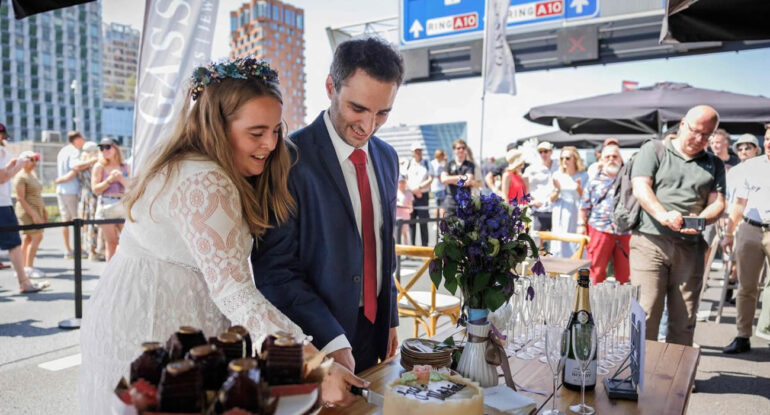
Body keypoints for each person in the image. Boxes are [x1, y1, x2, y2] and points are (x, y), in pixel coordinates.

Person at [79, 58, 362, 413]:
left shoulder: (202, 165)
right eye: (256, 133)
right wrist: (317, 366)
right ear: (215, 126)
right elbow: (235, 291)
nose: (270, 144)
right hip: (152, 321)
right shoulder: (204, 179)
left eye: (276, 130)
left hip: (166, 315)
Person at [251, 38, 403, 378]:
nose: (368, 126)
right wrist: (330, 339)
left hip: (375, 330)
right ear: (330, 87)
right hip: (315, 336)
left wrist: (390, 316)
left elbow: (384, 246)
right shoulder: (287, 158)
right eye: (358, 108)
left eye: (382, 113)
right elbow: (275, 269)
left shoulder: (388, 157)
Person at [630, 105, 726, 346]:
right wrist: (663, 215)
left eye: (707, 135)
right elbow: (641, 187)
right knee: (645, 314)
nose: (700, 139)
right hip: (650, 242)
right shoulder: (654, 149)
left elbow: (718, 203)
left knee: (684, 320)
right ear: (683, 123)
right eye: (696, 131)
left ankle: (675, 370)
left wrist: (702, 220)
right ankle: (641, 368)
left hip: (690, 247)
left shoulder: (714, 163)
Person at [720, 126, 770, 354]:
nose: (769, 143)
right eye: (767, 139)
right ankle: (742, 336)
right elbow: (739, 204)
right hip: (750, 228)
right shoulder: (751, 167)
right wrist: (729, 233)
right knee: (746, 286)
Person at [0, 126, 49, 293]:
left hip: (4, 204)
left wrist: (10, 166)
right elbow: (2, 179)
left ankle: (24, 281)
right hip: (2, 205)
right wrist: (18, 166)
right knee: (14, 243)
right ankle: (24, 282)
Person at [578, 145, 630, 284]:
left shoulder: (629, 179)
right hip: (599, 229)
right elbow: (584, 206)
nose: (611, 159)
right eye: (607, 157)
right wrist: (581, 225)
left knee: (624, 275)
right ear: (601, 160)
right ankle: (591, 297)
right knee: (596, 272)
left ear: (620, 159)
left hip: (625, 231)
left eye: (615, 156)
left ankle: (623, 298)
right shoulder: (593, 180)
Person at [56, 131, 97, 259]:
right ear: (77, 139)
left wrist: (61, 180)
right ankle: (79, 249)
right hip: (71, 190)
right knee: (77, 221)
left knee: (65, 220)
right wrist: (92, 160)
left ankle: (68, 250)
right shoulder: (74, 151)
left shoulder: (63, 150)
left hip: (61, 190)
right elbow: (76, 167)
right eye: (82, 138)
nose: (83, 141)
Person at [91, 137, 129, 262]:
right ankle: (110, 271)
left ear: (115, 148)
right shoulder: (99, 166)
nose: (104, 150)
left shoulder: (125, 166)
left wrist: (121, 179)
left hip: (122, 204)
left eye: (107, 147)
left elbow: (132, 188)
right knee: (111, 243)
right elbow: (95, 189)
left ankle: (122, 270)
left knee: (127, 242)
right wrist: (109, 180)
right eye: (101, 148)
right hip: (106, 205)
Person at [550, 146, 588, 257]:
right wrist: (558, 189)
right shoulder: (557, 174)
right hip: (560, 211)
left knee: (573, 242)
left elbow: (585, 197)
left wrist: (578, 188)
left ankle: (574, 265)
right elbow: (552, 198)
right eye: (562, 158)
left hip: (575, 211)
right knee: (558, 242)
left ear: (575, 159)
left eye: (567, 158)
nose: (564, 161)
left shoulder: (583, 175)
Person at [13, 151, 47, 278]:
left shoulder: (31, 174)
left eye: (36, 159)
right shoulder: (21, 177)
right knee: (37, 237)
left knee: (28, 239)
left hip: (36, 209)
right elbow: (20, 198)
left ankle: (22, 268)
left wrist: (43, 211)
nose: (34, 162)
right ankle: (28, 267)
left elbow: (37, 194)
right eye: (31, 159)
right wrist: (33, 214)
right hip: (27, 211)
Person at [524, 141, 558, 231]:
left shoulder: (558, 165)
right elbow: (523, 188)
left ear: (551, 152)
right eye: (540, 152)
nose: (543, 154)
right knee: (538, 238)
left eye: (545, 151)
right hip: (539, 211)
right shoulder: (532, 169)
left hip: (556, 209)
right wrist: (531, 202)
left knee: (556, 238)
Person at [404, 142, 432, 246]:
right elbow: (405, 179)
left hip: (423, 196)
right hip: (411, 196)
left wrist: (419, 188)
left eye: (419, 150)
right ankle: (412, 246)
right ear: (412, 152)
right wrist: (413, 190)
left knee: (423, 222)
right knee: (411, 222)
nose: (418, 152)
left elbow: (430, 179)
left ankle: (425, 246)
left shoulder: (427, 163)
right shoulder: (408, 164)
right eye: (416, 150)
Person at [441, 139, 475, 215]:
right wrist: (461, 177)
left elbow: (468, 181)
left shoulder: (470, 165)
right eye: (458, 148)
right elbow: (443, 180)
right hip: (450, 202)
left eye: (463, 148)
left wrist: (450, 179)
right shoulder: (449, 164)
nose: (461, 150)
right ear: (454, 150)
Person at [396, 174, 413, 244]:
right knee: (396, 234)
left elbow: (411, 205)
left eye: (403, 182)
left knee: (405, 234)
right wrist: (400, 205)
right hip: (397, 217)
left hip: (406, 217)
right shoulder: (395, 192)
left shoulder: (408, 192)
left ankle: (406, 249)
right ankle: (396, 249)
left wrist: (410, 209)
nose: (402, 184)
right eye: (400, 182)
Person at [430, 149, 447, 217]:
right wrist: (445, 183)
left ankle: (435, 221)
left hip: (433, 187)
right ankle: (442, 220)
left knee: (436, 206)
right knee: (442, 206)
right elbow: (440, 177)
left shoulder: (431, 163)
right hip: (440, 187)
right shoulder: (439, 165)